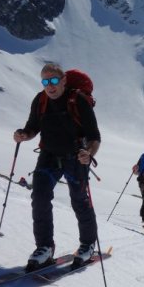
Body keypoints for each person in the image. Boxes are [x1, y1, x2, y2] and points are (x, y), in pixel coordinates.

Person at [13, 63, 101, 270]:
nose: (49, 86)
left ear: (63, 81)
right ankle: (45, 247)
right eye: (45, 81)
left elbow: (94, 137)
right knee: (40, 197)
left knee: (79, 199)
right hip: (48, 156)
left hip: (75, 157)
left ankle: (88, 244)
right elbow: (33, 127)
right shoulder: (40, 100)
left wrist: (88, 153)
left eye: (53, 81)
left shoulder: (78, 100)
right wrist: (23, 135)